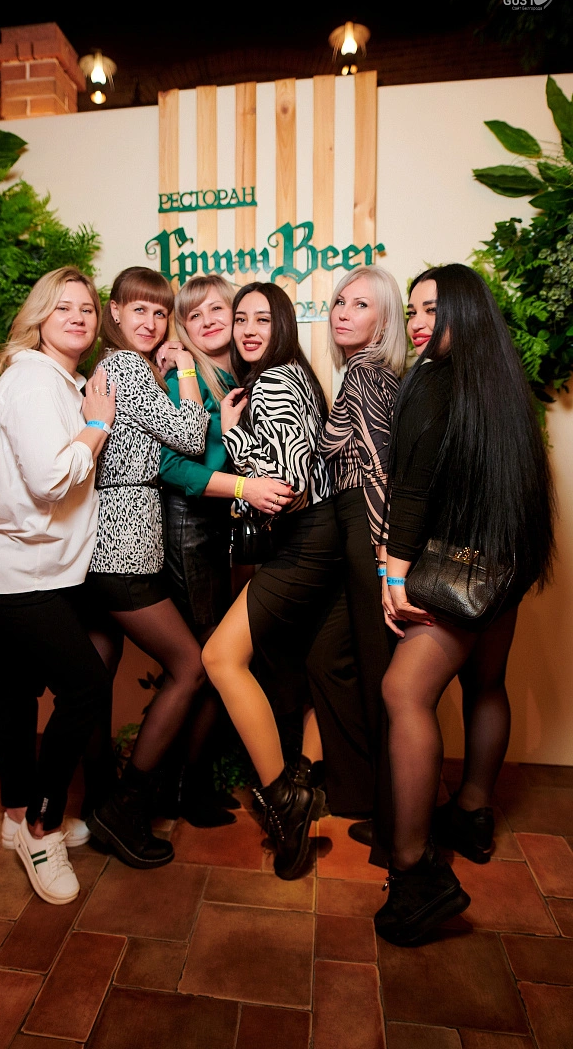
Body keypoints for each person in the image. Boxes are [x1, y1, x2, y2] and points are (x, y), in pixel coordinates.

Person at [374, 263, 555, 945]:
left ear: (465, 313)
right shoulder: (501, 384)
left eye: (433, 309)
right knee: (487, 683)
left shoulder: (432, 380)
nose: (419, 323)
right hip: (502, 568)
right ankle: (474, 814)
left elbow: (412, 490)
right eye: (414, 310)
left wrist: (394, 575)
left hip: (454, 572)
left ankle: (414, 872)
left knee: (403, 692)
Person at [0, 266, 115, 905]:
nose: (77, 316)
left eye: (86, 308)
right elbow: (51, 480)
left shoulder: (59, 381)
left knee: (18, 690)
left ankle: (16, 814)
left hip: (30, 565)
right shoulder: (32, 380)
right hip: (16, 568)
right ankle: (42, 829)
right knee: (86, 686)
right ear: (39, 318)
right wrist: (98, 424)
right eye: (62, 307)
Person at [202, 281, 338, 880]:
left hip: (302, 544)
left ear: (282, 325)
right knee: (299, 668)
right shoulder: (295, 376)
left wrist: (232, 433)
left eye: (263, 319)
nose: (249, 330)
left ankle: (283, 799)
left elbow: (283, 485)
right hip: (317, 541)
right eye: (242, 319)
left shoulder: (277, 381)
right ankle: (300, 793)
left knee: (219, 658)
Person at [85, 266, 212, 869]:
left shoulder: (109, 367)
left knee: (94, 678)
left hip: (103, 540)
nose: (152, 322)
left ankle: (98, 800)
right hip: (124, 545)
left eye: (161, 313)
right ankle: (125, 807)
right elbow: (189, 436)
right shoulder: (130, 368)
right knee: (189, 667)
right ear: (114, 312)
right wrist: (184, 369)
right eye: (140, 310)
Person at [157, 275, 294, 825]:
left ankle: (188, 783)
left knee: (217, 659)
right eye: (194, 315)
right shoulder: (181, 378)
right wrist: (244, 487)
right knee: (208, 660)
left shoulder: (238, 374)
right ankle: (179, 790)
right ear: (184, 328)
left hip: (217, 529)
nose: (209, 321)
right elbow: (171, 466)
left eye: (219, 309)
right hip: (188, 527)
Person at [308, 265, 407, 866]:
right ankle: (361, 792)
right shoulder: (364, 374)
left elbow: (379, 471)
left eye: (361, 304)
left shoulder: (368, 375)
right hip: (357, 535)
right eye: (340, 302)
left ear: (384, 319)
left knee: (382, 679)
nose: (343, 312)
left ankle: (397, 823)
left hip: (369, 537)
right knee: (328, 658)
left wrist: (383, 558)